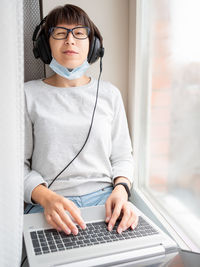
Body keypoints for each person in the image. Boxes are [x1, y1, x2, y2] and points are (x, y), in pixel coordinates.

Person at [24, 4, 138, 236]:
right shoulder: (27, 94)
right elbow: (15, 165)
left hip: (106, 202)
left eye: (79, 33)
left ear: (93, 45)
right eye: (59, 33)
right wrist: (46, 198)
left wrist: (121, 191)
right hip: (48, 203)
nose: (70, 40)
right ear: (45, 46)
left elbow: (123, 156)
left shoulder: (110, 94)